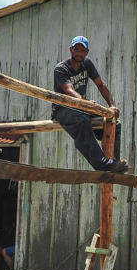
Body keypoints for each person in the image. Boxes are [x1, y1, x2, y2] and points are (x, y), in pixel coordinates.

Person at [52, 36, 128, 172]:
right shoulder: (61, 69)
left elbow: (100, 84)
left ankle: (114, 164)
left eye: (82, 50)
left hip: (82, 108)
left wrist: (111, 105)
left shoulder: (87, 64)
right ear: (71, 50)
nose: (79, 53)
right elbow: (69, 90)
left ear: (86, 52)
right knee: (81, 120)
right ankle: (102, 164)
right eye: (76, 49)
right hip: (63, 110)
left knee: (115, 124)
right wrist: (86, 104)